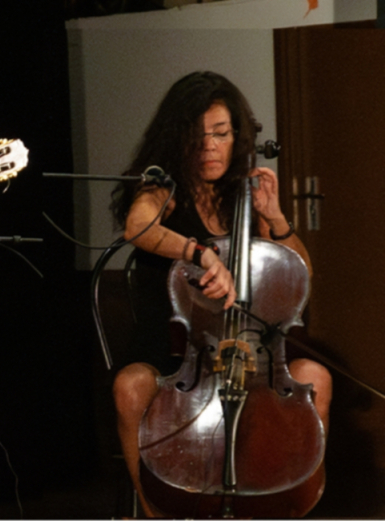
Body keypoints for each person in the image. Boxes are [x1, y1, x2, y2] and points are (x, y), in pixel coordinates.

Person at [109, 71, 332, 517]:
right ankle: (154, 508)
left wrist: (275, 217)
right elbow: (138, 226)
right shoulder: (162, 188)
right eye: (198, 135)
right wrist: (200, 253)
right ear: (178, 138)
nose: (209, 146)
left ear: (237, 138)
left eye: (221, 134)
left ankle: (289, 499)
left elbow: (300, 273)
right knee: (130, 386)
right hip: (178, 355)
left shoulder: (243, 198)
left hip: (251, 359)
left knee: (315, 375)